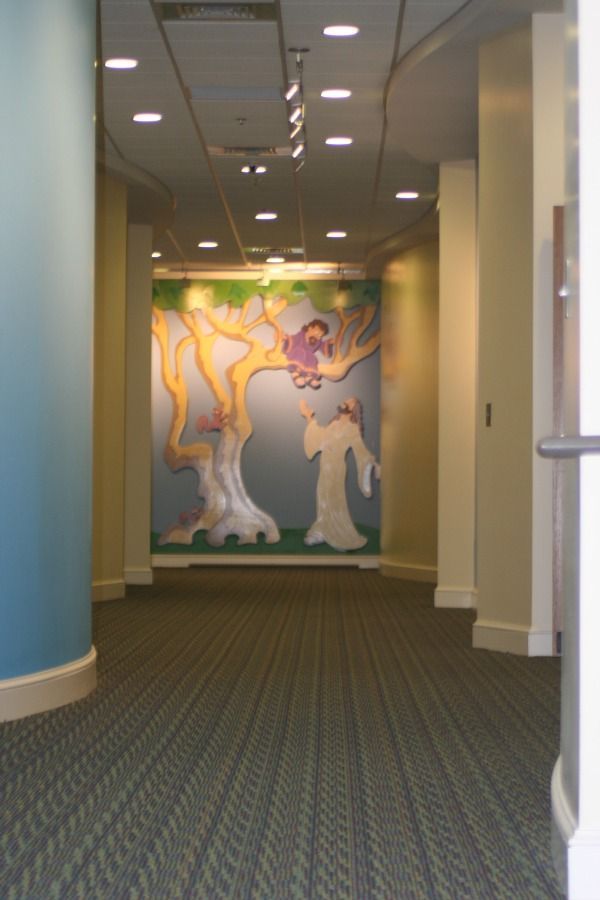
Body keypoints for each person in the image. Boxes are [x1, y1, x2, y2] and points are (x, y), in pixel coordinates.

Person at [300, 397, 380, 551]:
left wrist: (372, 463)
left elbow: (360, 451)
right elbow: (320, 437)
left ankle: (336, 533)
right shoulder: (334, 424)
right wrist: (309, 417)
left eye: (350, 401)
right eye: (346, 399)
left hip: (337, 468)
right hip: (325, 466)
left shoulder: (352, 429)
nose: (346, 401)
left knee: (334, 500)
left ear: (354, 408)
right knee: (322, 497)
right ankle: (321, 529)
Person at [282, 319, 334, 388]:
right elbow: (293, 339)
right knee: (300, 352)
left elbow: (324, 348)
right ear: (310, 328)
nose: (318, 336)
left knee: (312, 358)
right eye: (317, 333)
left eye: (320, 335)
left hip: (308, 357)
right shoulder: (300, 335)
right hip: (297, 354)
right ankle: (295, 374)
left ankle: (309, 377)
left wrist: (329, 343)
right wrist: (286, 339)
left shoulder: (317, 342)